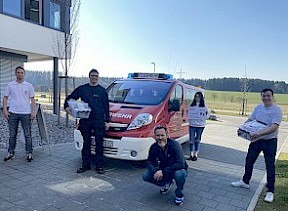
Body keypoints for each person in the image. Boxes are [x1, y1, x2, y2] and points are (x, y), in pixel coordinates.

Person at [231, 88, 282, 203]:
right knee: (249, 160)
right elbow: (251, 119)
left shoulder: (277, 110)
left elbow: (274, 126)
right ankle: (245, 182)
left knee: (269, 165)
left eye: (268, 96)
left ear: (272, 97)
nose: (266, 98)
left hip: (270, 141)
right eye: (263, 96)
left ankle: (270, 191)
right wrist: (242, 128)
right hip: (256, 140)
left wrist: (259, 133)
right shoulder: (258, 108)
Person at [64, 69, 109, 174]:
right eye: (92, 75)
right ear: (89, 76)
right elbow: (70, 98)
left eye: (96, 76)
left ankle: (99, 166)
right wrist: (67, 108)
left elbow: (106, 107)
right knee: (86, 143)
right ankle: (85, 165)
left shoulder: (102, 91)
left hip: (98, 120)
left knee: (99, 144)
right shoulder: (83, 89)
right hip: (85, 120)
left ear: (98, 77)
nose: (94, 77)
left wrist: (107, 121)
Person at [142, 126, 188, 206]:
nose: (160, 138)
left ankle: (179, 193)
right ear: (154, 136)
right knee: (146, 176)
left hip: (177, 169)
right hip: (164, 169)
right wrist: (155, 172)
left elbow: (181, 163)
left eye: (162, 135)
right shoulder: (154, 147)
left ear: (167, 135)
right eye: (158, 135)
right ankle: (167, 182)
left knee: (179, 174)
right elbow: (149, 162)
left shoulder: (175, 145)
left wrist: (163, 172)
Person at [2, 66, 36, 162]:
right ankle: (11, 153)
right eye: (18, 72)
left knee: (27, 135)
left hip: (26, 113)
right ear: (15, 73)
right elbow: (5, 98)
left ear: (24, 74)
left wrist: (33, 112)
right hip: (13, 113)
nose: (20, 74)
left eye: (21, 72)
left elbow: (32, 99)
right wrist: (5, 110)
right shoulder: (10, 85)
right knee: (12, 135)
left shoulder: (28, 86)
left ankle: (29, 153)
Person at [187, 92, 209, 161]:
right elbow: (188, 112)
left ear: (201, 98)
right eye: (196, 97)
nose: (197, 98)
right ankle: (191, 154)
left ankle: (195, 154)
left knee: (197, 140)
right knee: (191, 140)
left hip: (200, 125)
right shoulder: (192, 105)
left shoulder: (204, 106)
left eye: (198, 97)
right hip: (192, 124)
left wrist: (204, 116)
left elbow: (207, 115)